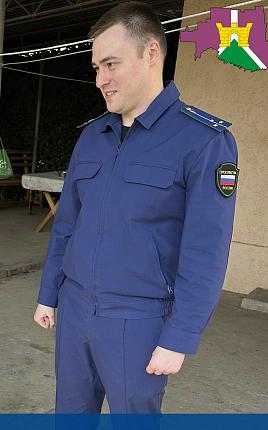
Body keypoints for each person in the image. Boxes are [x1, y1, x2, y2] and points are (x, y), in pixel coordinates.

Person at [33, 1, 238, 414]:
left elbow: (206, 252)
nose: (100, 80)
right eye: (96, 68)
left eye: (110, 64)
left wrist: (179, 336)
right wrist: (49, 293)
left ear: (151, 53)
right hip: (74, 312)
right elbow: (67, 224)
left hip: (138, 321)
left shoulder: (202, 141)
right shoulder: (92, 137)